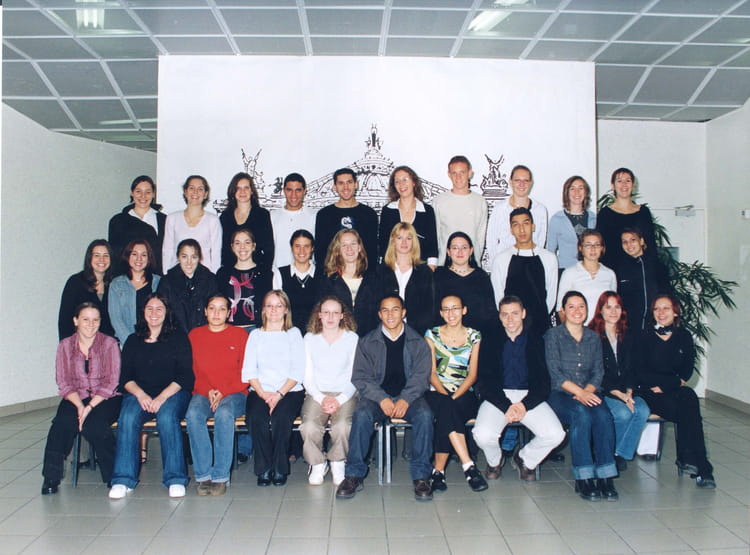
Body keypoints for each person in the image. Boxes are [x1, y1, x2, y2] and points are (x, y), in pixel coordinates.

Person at [335, 295, 434, 501]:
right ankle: (353, 475)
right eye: (385, 310)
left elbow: (421, 376)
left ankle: (421, 476)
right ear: (379, 314)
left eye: (395, 309)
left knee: (425, 415)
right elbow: (360, 376)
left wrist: (405, 399)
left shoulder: (418, 342)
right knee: (362, 414)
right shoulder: (367, 342)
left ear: (403, 312)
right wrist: (381, 398)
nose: (390, 314)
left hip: (409, 397)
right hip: (377, 397)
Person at [109, 293, 194, 499]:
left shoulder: (179, 338)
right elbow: (125, 377)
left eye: (159, 309)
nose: (154, 313)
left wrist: (161, 398)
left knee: (167, 417)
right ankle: (123, 480)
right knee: (127, 417)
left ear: (167, 312)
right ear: (143, 312)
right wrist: (141, 395)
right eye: (149, 308)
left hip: (173, 393)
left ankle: (175, 479)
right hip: (140, 394)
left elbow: (185, 376)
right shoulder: (133, 340)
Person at [473, 296, 565, 483]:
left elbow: (543, 382)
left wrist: (524, 405)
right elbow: (485, 381)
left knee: (556, 434)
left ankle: (524, 459)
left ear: (523, 314)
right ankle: (495, 461)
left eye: (515, 313)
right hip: (499, 396)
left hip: (529, 396)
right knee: (482, 435)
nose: (510, 319)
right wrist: (506, 406)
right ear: (499, 316)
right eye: (505, 314)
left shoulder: (536, 340)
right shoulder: (490, 341)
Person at [634, 294, 715, 488]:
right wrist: (671, 382)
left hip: (670, 390)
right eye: (657, 309)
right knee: (689, 410)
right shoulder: (643, 336)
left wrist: (667, 385)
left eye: (666, 308)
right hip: (649, 392)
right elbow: (639, 371)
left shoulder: (684, 336)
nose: (661, 313)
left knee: (689, 398)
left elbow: (687, 371)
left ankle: (694, 461)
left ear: (675, 312)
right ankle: (699, 466)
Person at [41, 303, 122, 495]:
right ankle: (51, 477)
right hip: (76, 396)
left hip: (105, 398)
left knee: (95, 426)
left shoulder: (110, 344)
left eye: (95, 320)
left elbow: (112, 382)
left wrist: (89, 407)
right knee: (61, 424)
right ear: (76, 321)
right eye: (85, 319)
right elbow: (63, 381)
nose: (91, 324)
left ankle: (114, 475)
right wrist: (79, 406)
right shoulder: (65, 345)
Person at [545, 291, 618, 501]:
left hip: (590, 391)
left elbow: (598, 371)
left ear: (587, 310)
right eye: (571, 306)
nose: (577, 311)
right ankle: (583, 477)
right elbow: (555, 373)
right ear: (563, 311)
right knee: (581, 414)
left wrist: (587, 392)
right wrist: (580, 393)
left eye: (581, 306)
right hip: (560, 394)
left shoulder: (593, 337)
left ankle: (605, 476)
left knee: (603, 415)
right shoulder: (553, 336)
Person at [185, 294, 249, 496]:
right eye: (212, 308)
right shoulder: (195, 335)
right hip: (204, 391)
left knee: (224, 413)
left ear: (229, 313)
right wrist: (208, 390)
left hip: (235, 392)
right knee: (193, 414)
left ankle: (220, 476)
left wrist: (223, 390)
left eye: (222, 309)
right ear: (205, 311)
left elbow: (246, 373)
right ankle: (204, 475)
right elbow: (191, 371)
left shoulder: (240, 335)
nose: (216, 313)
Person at [424, 294, 487, 493]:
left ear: (464, 310)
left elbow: (472, 375)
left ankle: (438, 471)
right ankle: (468, 466)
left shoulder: (474, 336)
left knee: (448, 411)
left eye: (455, 308)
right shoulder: (431, 334)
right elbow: (431, 374)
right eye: (446, 309)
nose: (451, 313)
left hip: (464, 392)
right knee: (447, 408)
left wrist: (453, 397)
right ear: (441, 313)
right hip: (436, 391)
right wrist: (446, 396)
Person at [242, 290, 305, 486]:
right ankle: (264, 468)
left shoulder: (294, 334)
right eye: (269, 305)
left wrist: (278, 395)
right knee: (256, 417)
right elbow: (249, 370)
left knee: (281, 418)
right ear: (263, 310)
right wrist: (263, 394)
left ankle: (279, 468)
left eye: (279, 306)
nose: (274, 310)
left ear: (286, 310)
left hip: (289, 391)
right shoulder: (255, 335)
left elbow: (298, 370)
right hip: (260, 390)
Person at [300, 296, 359, 486]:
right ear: (319, 315)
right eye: (326, 312)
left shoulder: (352, 338)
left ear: (342, 315)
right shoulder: (309, 338)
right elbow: (307, 375)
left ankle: (337, 461)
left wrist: (339, 400)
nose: (330, 317)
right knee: (309, 426)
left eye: (335, 313)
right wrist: (321, 398)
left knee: (343, 426)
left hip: (345, 393)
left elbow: (355, 375)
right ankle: (318, 463)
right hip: (316, 393)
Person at [589, 291, 650, 471]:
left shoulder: (628, 334)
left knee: (642, 410)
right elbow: (596, 372)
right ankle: (606, 453)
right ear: (600, 310)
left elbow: (633, 368)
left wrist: (629, 392)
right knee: (623, 413)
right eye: (608, 307)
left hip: (626, 389)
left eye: (617, 307)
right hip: (603, 390)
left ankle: (619, 453)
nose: (613, 312)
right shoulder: (592, 336)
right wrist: (620, 395)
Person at [491, 207, 557, 336]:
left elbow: (551, 298)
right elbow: (499, 297)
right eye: (516, 225)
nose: (521, 230)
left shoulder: (549, 258)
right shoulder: (501, 259)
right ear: (511, 229)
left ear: (533, 226)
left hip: (540, 326)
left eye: (526, 224)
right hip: (511, 328)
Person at [486, 164, 548, 269]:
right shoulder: (499, 209)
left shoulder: (540, 210)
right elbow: (491, 241)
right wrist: (496, 266)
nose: (521, 184)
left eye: (526, 180)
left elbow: (540, 242)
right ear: (510, 182)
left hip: (531, 265)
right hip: (505, 265)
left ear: (531, 183)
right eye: (517, 180)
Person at [314, 168, 378, 270]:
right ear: (335, 187)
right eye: (341, 183)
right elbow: (320, 252)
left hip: (363, 274)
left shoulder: (369, 214)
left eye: (349, 182)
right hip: (332, 274)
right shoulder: (324, 215)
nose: (346, 187)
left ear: (356, 184)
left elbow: (372, 251)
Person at [377, 222, 435, 336]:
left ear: (414, 242)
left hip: (417, 333)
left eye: (408, 238)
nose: (404, 242)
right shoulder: (380, 271)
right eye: (399, 238)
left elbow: (430, 308)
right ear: (393, 241)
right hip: (384, 332)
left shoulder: (425, 272)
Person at [434, 232, 497, 334]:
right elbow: (434, 310)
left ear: (471, 250)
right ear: (448, 251)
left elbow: (490, 312)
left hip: (478, 334)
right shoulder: (439, 275)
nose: (460, 252)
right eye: (455, 248)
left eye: (464, 247)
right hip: (446, 334)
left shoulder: (481, 276)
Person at [321, 229, 380, 336]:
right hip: (338, 339)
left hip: (369, 339)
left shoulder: (373, 279)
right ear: (338, 250)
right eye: (344, 245)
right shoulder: (329, 282)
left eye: (353, 243)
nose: (349, 248)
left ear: (359, 247)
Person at [596, 167, 657, 270]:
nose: (624, 184)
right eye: (619, 181)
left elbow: (651, 245)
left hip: (639, 269)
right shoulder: (605, 214)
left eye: (628, 181)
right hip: (612, 269)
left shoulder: (643, 212)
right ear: (613, 185)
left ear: (633, 185)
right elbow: (600, 246)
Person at [378, 165, 438, 268]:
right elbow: (383, 245)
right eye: (397, 181)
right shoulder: (387, 210)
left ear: (414, 182)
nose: (401, 184)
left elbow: (432, 245)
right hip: (393, 269)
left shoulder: (427, 211)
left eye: (405, 179)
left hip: (420, 269)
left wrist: (430, 270)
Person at [433, 155, 488, 265]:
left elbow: (480, 238)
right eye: (454, 173)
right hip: (445, 265)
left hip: (472, 266)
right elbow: (436, 237)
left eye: (462, 172)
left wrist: (475, 260)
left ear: (470, 173)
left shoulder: (480, 201)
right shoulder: (439, 201)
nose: (458, 177)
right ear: (449, 174)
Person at [162, 175, 222, 273]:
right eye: (191, 188)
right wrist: (166, 275)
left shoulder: (213, 220)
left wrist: (214, 278)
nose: (195, 192)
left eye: (200, 189)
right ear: (185, 192)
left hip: (204, 276)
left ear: (205, 194)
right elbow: (167, 251)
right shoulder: (172, 218)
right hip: (177, 275)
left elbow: (216, 254)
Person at [157, 239, 218, 334]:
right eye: (184, 257)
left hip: (204, 333)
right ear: (178, 257)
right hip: (175, 335)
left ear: (199, 258)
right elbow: (161, 311)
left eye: (193, 257)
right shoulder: (167, 281)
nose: (189, 262)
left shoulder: (210, 280)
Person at [108, 175, 167, 273]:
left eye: (148, 192)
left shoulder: (164, 220)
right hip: (125, 276)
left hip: (155, 276)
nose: (143, 196)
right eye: (138, 191)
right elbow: (114, 254)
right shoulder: (118, 221)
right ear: (132, 193)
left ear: (153, 194)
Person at [58, 239, 115, 340]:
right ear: (89, 258)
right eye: (96, 255)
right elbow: (65, 319)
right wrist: (68, 346)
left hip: (107, 345)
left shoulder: (115, 285)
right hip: (80, 344)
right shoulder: (75, 282)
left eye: (106, 255)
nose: (101, 260)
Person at [556, 229, 616, 325]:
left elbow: (613, 306)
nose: (593, 249)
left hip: (603, 330)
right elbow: (560, 309)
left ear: (602, 248)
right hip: (579, 330)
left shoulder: (610, 274)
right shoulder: (569, 273)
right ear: (580, 248)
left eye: (597, 245)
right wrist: (571, 331)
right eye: (588, 245)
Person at [216, 229, 272, 331]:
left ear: (253, 246)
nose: (242, 247)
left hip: (257, 330)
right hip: (229, 329)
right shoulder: (223, 273)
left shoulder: (265, 274)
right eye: (237, 243)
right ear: (232, 247)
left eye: (247, 242)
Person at [616, 228, 670, 330]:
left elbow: (666, 296)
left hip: (655, 324)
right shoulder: (619, 269)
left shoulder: (658, 266)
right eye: (625, 242)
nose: (629, 245)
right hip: (629, 327)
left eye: (633, 240)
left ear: (641, 241)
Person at [109, 240, 161, 345]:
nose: (139, 259)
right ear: (128, 256)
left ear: (149, 258)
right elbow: (116, 319)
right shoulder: (116, 285)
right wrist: (132, 344)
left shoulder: (158, 282)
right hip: (126, 344)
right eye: (134, 254)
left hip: (154, 343)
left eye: (144, 255)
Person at [220, 171, 274, 269]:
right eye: (238, 188)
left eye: (246, 188)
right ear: (233, 191)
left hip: (256, 271)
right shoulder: (225, 217)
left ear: (252, 191)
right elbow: (224, 249)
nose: (242, 192)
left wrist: (264, 271)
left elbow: (269, 250)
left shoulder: (262, 215)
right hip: (230, 270)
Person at [273, 229, 323, 332]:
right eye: (297, 246)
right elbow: (277, 308)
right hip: (288, 331)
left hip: (317, 332)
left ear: (312, 248)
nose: (301, 251)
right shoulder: (280, 274)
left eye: (306, 246)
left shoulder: (323, 274)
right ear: (291, 248)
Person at [547, 175, 597, 273]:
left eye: (580, 188)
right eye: (572, 189)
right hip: (565, 270)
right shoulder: (557, 219)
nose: (577, 192)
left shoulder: (593, 218)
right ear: (567, 192)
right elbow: (550, 251)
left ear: (586, 192)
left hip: (589, 271)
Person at [270, 173, 317, 269]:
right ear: (284, 191)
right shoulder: (272, 216)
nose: (293, 195)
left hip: (306, 274)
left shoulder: (315, 216)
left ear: (304, 191)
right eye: (289, 190)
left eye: (298, 190)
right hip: (277, 273)